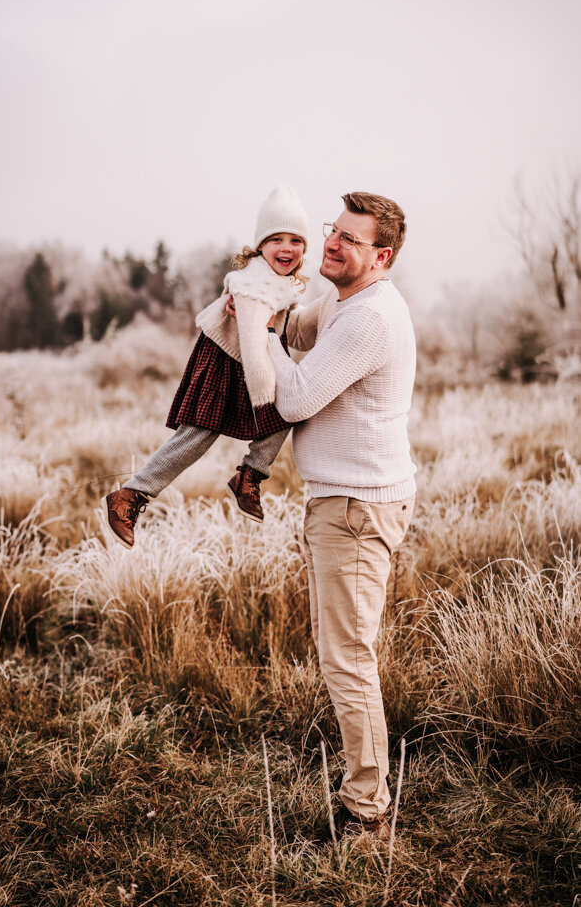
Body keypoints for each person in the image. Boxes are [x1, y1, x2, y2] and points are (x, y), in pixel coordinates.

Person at [266, 191, 416, 841]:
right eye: (332, 231)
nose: (331, 244)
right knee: (342, 652)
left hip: (357, 509)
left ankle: (366, 812)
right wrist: (259, 301)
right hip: (342, 499)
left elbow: (295, 397)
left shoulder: (370, 318)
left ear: (380, 256)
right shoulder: (340, 300)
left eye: (348, 240)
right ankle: (365, 795)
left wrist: (259, 332)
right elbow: (297, 330)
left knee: (346, 658)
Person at [102, 185, 309, 547]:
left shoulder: (281, 282)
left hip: (251, 358)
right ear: (260, 246)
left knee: (291, 411)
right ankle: (130, 495)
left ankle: (250, 474)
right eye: (276, 239)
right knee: (198, 434)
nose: (287, 248)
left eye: (296, 240)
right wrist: (265, 393)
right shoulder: (253, 285)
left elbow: (284, 324)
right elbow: (251, 336)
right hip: (225, 359)